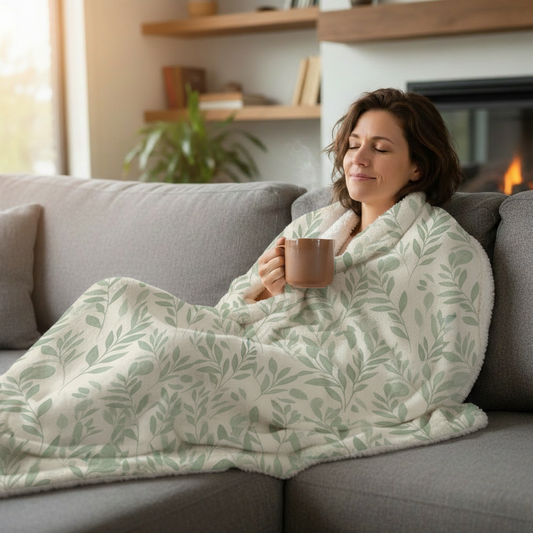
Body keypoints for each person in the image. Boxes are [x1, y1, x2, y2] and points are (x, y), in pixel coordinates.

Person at [0, 88, 493, 496]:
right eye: (353, 144)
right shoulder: (319, 223)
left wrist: (320, 298)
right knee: (117, 295)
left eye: (380, 148)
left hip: (329, 379)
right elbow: (236, 305)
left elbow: (430, 364)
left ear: (417, 168)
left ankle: (36, 431)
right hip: (264, 343)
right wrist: (267, 290)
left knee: (174, 351)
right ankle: (18, 407)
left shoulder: (443, 246)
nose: (357, 159)